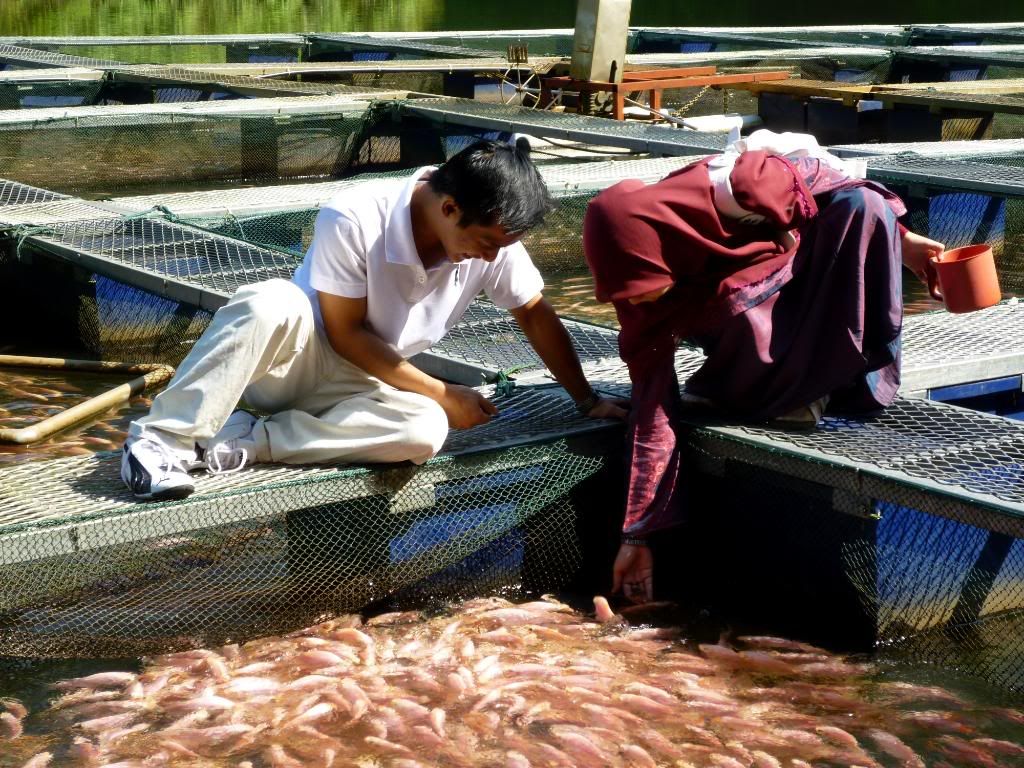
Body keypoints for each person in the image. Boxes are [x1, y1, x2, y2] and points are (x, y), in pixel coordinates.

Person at [122, 139, 626, 501]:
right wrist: (444, 392)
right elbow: (345, 333)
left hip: (364, 383)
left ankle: (243, 441)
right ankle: (159, 441)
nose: (492, 259)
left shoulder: (488, 239)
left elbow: (534, 312)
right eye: (489, 243)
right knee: (270, 300)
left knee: (424, 431)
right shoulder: (356, 215)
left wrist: (585, 399)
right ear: (450, 208)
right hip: (295, 362)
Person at [582, 133, 945, 605]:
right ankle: (781, 383)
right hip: (751, 327)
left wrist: (904, 242)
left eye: (642, 283)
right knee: (730, 313)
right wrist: (638, 535)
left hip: (797, 282)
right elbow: (653, 410)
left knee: (862, 206)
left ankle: (828, 378)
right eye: (625, 288)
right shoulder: (639, 286)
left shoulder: (740, 188)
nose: (635, 299)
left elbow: (842, 191)